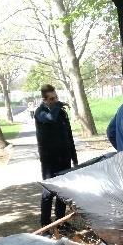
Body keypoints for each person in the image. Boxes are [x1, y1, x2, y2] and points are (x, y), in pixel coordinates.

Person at [34, 84, 78, 227]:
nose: (55, 101)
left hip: (64, 157)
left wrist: (74, 158)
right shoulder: (40, 112)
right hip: (49, 160)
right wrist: (59, 105)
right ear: (44, 100)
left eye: (56, 97)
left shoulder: (61, 112)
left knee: (62, 192)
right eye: (52, 99)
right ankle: (45, 225)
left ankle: (61, 222)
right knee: (48, 193)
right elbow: (50, 118)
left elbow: (69, 136)